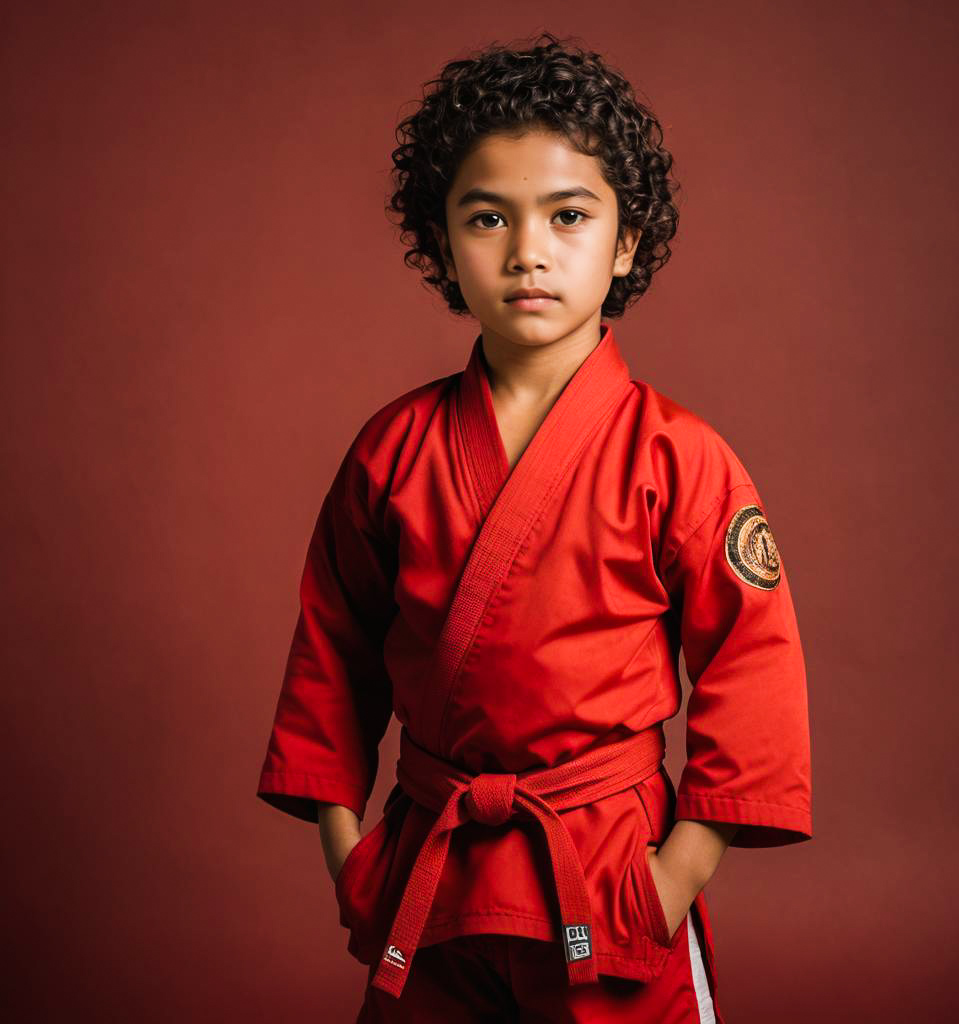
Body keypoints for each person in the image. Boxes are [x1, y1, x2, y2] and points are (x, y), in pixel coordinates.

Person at [256, 31, 812, 1024]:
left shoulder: (677, 454)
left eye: (567, 215)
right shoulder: (393, 450)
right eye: (487, 218)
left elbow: (751, 664)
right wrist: (351, 858)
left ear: (626, 242)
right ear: (440, 242)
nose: (528, 252)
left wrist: (671, 878)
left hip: (605, 870)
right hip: (433, 874)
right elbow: (331, 655)